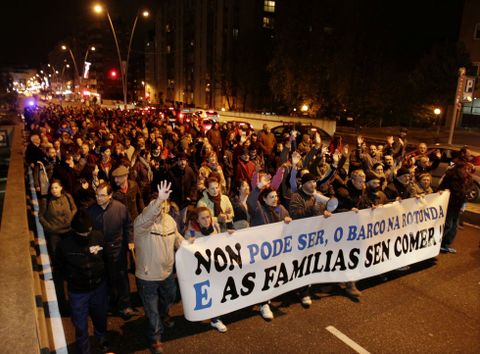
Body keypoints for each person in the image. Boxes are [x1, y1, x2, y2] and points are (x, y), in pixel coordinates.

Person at [134, 181, 184, 354]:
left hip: (167, 273)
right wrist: (158, 201)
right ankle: (155, 339)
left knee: (169, 298)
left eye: (165, 206)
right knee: (152, 310)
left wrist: (191, 246)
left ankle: (165, 314)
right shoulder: (141, 224)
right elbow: (149, 215)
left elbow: (178, 239)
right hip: (147, 277)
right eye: (159, 206)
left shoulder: (170, 221)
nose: (162, 210)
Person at [55, 209, 109, 354]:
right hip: (78, 292)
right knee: (80, 325)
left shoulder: (98, 237)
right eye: (82, 233)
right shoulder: (65, 245)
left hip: (99, 287)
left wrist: (111, 283)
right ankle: (84, 350)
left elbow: (108, 259)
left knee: (101, 316)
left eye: (88, 231)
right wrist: (67, 286)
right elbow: (58, 269)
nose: (86, 235)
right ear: (74, 231)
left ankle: (101, 338)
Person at [88, 182, 135, 318]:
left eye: (102, 195)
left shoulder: (120, 208)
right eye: (97, 195)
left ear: (110, 195)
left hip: (117, 249)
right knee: (103, 279)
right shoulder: (91, 211)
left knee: (121, 277)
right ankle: (106, 303)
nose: (98, 198)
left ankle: (125, 305)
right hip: (99, 251)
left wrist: (130, 241)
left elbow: (128, 225)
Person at [247, 176, 291, 320]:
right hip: (261, 252)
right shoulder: (259, 210)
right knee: (262, 276)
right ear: (264, 199)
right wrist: (259, 187)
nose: (275, 199)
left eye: (276, 196)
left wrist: (289, 222)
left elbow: (291, 225)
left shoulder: (281, 209)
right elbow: (250, 201)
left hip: (276, 252)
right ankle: (263, 304)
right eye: (271, 197)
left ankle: (269, 297)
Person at [184, 206, 232, 333]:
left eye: (208, 217)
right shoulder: (191, 231)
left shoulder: (215, 226)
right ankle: (215, 319)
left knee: (217, 290)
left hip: (215, 266)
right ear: (197, 220)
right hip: (202, 268)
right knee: (207, 292)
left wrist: (228, 235)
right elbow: (184, 248)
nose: (206, 220)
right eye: (203, 218)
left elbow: (221, 241)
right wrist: (188, 243)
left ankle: (215, 317)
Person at [438, 162, 473, 253]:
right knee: (447, 224)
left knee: (454, 226)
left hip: (457, 205)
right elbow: (441, 187)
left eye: (469, 169)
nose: (467, 171)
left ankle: (445, 244)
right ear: (459, 169)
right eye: (465, 169)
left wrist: (464, 203)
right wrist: (442, 192)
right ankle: (437, 243)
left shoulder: (468, 179)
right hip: (449, 203)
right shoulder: (451, 176)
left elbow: (467, 192)